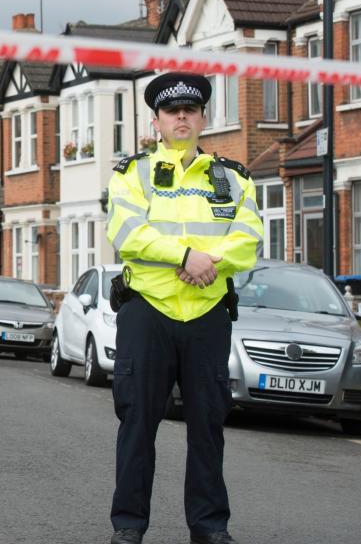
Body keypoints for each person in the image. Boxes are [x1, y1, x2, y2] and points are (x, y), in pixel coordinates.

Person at [105, 72, 262, 544]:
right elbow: (127, 235)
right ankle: (129, 526)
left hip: (206, 314)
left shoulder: (233, 179)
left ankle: (210, 527)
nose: (181, 118)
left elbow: (249, 240)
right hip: (148, 312)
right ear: (156, 121)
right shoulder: (131, 174)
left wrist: (206, 263)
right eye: (172, 112)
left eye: (189, 111)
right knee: (137, 425)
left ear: (202, 119)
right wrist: (186, 257)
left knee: (208, 426)